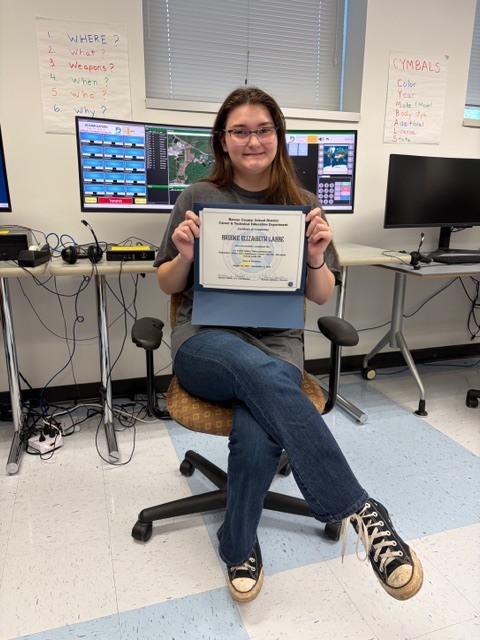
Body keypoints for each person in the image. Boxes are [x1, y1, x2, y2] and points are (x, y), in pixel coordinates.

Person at [154, 86, 424, 603]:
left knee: (259, 426)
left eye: (263, 129)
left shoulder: (302, 205)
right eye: (240, 131)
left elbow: (321, 293)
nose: (252, 140)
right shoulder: (197, 198)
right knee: (273, 382)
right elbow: (168, 284)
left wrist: (317, 256)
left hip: (276, 347)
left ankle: (237, 546)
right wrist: (185, 254)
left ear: (278, 137)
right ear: (223, 140)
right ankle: (358, 507)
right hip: (206, 343)